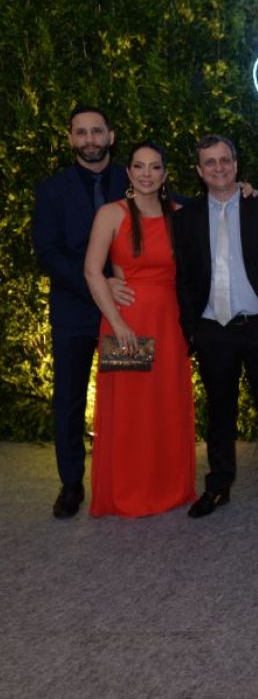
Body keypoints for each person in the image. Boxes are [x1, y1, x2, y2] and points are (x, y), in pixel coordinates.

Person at [173, 134, 258, 524]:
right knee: (219, 415)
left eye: (225, 160)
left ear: (236, 165)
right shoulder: (186, 218)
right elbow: (185, 278)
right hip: (214, 331)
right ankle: (218, 486)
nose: (219, 167)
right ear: (199, 171)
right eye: (209, 162)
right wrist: (193, 329)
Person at [84, 142, 196, 516]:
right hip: (126, 324)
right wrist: (117, 324)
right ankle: (128, 492)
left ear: (165, 174)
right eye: (139, 166)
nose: (147, 174)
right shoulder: (110, 214)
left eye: (155, 167)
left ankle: (168, 488)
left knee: (166, 405)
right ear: (129, 172)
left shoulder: (181, 215)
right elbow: (92, 271)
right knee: (129, 410)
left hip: (170, 326)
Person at [33, 106, 133, 518]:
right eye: (81, 132)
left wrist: (235, 191)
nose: (89, 139)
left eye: (97, 131)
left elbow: (176, 210)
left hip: (124, 312)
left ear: (111, 136)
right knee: (70, 400)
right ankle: (71, 484)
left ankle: (126, 477)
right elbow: (48, 253)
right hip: (74, 311)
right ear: (70, 138)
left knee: (127, 397)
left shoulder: (135, 179)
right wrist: (96, 284)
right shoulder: (51, 190)